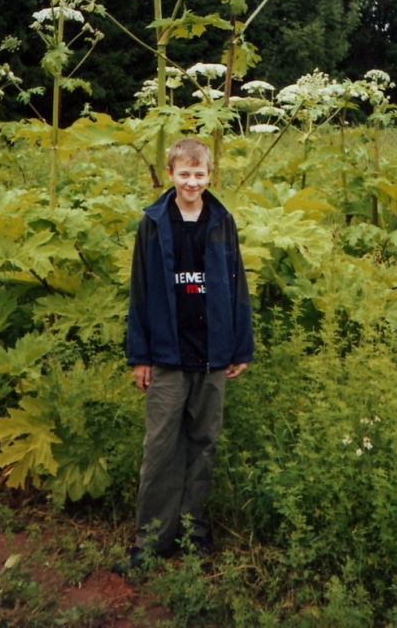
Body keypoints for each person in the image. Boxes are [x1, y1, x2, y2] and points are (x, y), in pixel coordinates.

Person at [122, 138, 253, 570]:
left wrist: (240, 346)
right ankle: (151, 542)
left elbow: (237, 286)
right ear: (171, 174)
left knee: (203, 444)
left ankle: (193, 533)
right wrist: (139, 356)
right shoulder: (154, 223)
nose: (192, 182)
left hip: (214, 354)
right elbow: (139, 292)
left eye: (199, 175)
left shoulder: (222, 221)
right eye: (184, 174)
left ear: (209, 176)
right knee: (161, 447)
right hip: (166, 356)